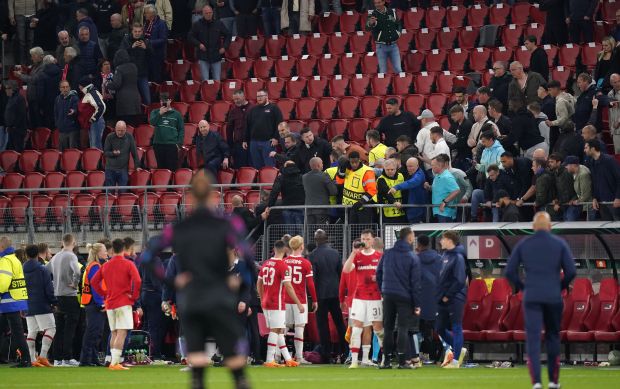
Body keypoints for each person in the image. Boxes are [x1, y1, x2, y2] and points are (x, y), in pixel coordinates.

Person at [140, 170, 252, 387]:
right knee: (237, 367)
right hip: (220, 297)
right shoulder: (228, 225)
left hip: (191, 300)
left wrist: (172, 282)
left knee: (198, 369)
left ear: (190, 198)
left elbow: (147, 257)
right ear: (213, 196)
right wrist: (240, 283)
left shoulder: (178, 228)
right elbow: (247, 255)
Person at [505, 212, 576, 389]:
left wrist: (523, 287)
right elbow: (571, 271)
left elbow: (509, 272)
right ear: (550, 227)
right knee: (553, 336)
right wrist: (560, 286)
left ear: (533, 227)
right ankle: (553, 381)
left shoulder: (524, 244)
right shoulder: (559, 244)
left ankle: (536, 382)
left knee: (533, 338)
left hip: (532, 297)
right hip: (553, 296)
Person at [91, 239, 141, 371]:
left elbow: (94, 281)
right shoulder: (128, 263)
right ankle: (115, 363)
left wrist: (104, 293)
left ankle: (113, 361)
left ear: (112, 250)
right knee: (122, 332)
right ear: (123, 249)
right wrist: (134, 296)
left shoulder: (106, 265)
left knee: (114, 333)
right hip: (123, 302)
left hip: (110, 303)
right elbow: (137, 280)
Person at [376, 227, 421, 369]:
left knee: (388, 328)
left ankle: (387, 361)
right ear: (409, 238)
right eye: (413, 235)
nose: (414, 238)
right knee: (403, 328)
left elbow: (379, 273)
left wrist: (382, 290)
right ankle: (402, 361)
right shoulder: (412, 256)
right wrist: (417, 304)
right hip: (405, 296)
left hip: (388, 294)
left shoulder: (387, 253)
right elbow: (416, 282)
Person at [258, 240, 303, 368]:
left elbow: (258, 282)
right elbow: (288, 286)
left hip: (266, 301)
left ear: (274, 249)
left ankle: (288, 358)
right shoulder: (283, 265)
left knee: (279, 330)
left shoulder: (266, 263)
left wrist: (262, 298)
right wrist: (298, 303)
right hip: (276, 302)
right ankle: (269, 359)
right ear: (285, 250)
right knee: (275, 330)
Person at [343, 229, 384, 369]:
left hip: (375, 297)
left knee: (377, 329)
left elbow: (385, 275)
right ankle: (354, 361)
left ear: (373, 240)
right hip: (359, 297)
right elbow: (346, 270)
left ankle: (384, 358)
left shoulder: (379, 256)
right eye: (363, 239)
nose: (365, 241)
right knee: (356, 328)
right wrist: (353, 253)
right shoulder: (357, 255)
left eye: (367, 239)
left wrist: (377, 278)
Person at [310, 229, 347, 363]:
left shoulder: (313, 255)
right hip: (335, 293)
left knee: (322, 325)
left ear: (315, 240)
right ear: (327, 239)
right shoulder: (335, 253)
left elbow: (313, 277)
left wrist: (313, 296)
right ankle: (344, 351)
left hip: (320, 294)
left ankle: (326, 355)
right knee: (340, 323)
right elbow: (340, 273)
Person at [47, 234, 81, 367]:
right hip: (69, 296)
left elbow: (46, 271)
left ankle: (57, 359)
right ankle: (67, 358)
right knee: (70, 328)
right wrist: (75, 283)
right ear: (74, 242)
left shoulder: (55, 257)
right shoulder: (71, 255)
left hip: (57, 296)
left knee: (59, 328)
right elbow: (77, 272)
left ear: (62, 242)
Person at [283, 236, 317, 364]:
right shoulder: (305, 263)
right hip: (300, 300)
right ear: (301, 246)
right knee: (299, 328)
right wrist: (315, 300)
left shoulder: (284, 261)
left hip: (285, 299)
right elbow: (310, 284)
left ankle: (277, 356)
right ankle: (299, 357)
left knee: (283, 328)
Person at [436, 231, 467, 369]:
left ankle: (455, 361)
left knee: (456, 326)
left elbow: (460, 279)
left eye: (442, 239)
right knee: (439, 328)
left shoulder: (458, 256)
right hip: (442, 298)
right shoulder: (445, 255)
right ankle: (459, 349)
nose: (440, 242)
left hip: (455, 297)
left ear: (449, 240)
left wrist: (448, 294)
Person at [22, 244, 56, 368]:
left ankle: (32, 359)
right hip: (42, 304)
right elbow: (49, 288)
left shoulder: (22, 269)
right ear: (37, 254)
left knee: (32, 331)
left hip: (27, 304)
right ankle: (42, 356)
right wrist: (54, 301)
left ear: (26, 255)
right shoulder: (42, 269)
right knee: (51, 329)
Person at [0, 237, 31, 368]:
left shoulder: (5, 260)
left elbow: (3, 283)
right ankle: (24, 358)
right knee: (17, 331)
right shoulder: (14, 259)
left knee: (17, 331)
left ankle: (25, 359)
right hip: (17, 299)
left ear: (1, 247)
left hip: (9, 300)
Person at [78, 243, 106, 366]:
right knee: (92, 332)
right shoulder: (95, 267)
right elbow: (96, 287)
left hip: (91, 303)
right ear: (98, 253)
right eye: (104, 251)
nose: (106, 253)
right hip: (94, 304)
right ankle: (85, 360)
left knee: (96, 333)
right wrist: (101, 304)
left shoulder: (94, 266)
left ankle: (93, 359)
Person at [415, 234, 442, 363]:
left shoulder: (415, 259)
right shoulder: (439, 258)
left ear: (418, 245)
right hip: (435, 298)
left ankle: (420, 354)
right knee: (433, 328)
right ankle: (434, 356)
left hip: (419, 299)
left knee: (418, 329)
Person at [189, 5, 231, 81]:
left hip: (216, 55)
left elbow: (228, 35)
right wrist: (199, 44)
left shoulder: (219, 23)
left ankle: (216, 92)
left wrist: (224, 47)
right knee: (205, 80)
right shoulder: (197, 24)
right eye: (206, 13)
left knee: (217, 80)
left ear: (212, 13)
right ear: (203, 14)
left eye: (210, 12)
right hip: (203, 56)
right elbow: (190, 37)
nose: (209, 14)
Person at [244, 89, 282, 169]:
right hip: (254, 142)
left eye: (261, 96)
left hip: (268, 142)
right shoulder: (252, 110)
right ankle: (259, 181)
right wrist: (245, 140)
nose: (259, 98)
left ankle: (271, 181)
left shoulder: (274, 108)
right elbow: (247, 126)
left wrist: (276, 138)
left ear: (267, 96)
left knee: (269, 166)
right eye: (258, 96)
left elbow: (279, 124)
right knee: (256, 167)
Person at [336, 151, 378, 224]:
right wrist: (342, 170)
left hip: (363, 207)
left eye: (356, 162)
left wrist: (361, 201)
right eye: (352, 162)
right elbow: (339, 182)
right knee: (352, 232)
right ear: (349, 161)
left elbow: (372, 190)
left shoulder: (367, 171)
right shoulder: (347, 168)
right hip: (349, 207)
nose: (354, 164)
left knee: (363, 231)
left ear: (359, 160)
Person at [584, 140, 620, 221]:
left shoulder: (609, 160)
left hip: (614, 201)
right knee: (607, 230)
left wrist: (618, 197)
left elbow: (619, 179)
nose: (584, 150)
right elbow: (594, 182)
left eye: (586, 148)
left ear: (593, 149)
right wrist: (594, 198)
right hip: (601, 203)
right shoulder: (591, 162)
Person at [150, 92, 184, 171]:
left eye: (165, 100)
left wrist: (179, 144)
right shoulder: (155, 112)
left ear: (170, 101)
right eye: (162, 101)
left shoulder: (177, 114)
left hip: (172, 145)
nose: (163, 102)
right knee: (161, 170)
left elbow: (181, 129)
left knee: (172, 170)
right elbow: (152, 122)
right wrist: (160, 114)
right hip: (158, 144)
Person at [107, 49, 142, 126]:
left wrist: (107, 84)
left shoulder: (119, 68)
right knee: (134, 125)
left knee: (126, 126)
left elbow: (116, 84)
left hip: (124, 101)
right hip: (135, 99)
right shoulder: (134, 66)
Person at [366, 0, 401, 74]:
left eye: (378, 2)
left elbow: (398, 24)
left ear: (383, 2)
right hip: (381, 47)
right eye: (375, 3)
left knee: (398, 70)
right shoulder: (373, 14)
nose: (377, 5)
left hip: (394, 46)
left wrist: (398, 34)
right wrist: (370, 23)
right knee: (383, 72)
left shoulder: (391, 12)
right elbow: (367, 28)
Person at [120, 23, 152, 105]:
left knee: (147, 100)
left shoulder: (146, 41)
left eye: (139, 31)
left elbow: (153, 57)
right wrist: (131, 47)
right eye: (135, 31)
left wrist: (146, 49)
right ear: (132, 31)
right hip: (130, 76)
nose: (137, 33)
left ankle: (146, 116)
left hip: (142, 74)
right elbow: (120, 55)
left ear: (142, 32)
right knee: (132, 102)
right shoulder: (126, 40)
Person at [103, 120, 141, 187]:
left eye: (122, 130)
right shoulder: (109, 137)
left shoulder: (129, 137)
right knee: (109, 194)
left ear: (125, 129)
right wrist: (113, 153)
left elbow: (134, 153)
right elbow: (106, 153)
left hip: (123, 169)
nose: (120, 132)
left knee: (123, 193)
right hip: (110, 169)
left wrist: (137, 166)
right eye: (118, 130)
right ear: (115, 129)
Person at [14, 47, 44, 128]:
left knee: (38, 123)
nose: (31, 58)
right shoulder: (35, 66)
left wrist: (20, 76)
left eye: (33, 56)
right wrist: (23, 73)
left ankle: (41, 140)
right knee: (33, 123)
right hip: (32, 98)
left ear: (40, 56)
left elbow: (34, 80)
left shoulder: (43, 67)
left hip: (37, 99)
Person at [268, 160, 305, 225]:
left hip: (287, 206)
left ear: (285, 167)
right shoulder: (302, 177)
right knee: (301, 230)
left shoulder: (281, 178)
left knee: (289, 231)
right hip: (300, 206)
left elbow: (275, 192)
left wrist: (270, 205)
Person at [390, 157, 426, 223]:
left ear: (417, 165)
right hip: (412, 209)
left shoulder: (419, 175)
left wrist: (396, 187)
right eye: (407, 166)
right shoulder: (413, 173)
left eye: (411, 166)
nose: (408, 168)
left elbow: (412, 182)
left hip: (417, 211)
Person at [303, 157, 337, 225]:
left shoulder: (304, 177)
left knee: (311, 233)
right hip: (322, 210)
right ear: (318, 165)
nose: (323, 165)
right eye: (322, 163)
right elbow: (334, 192)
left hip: (309, 210)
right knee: (322, 233)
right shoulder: (324, 176)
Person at [548, 153, 580, 221]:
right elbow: (559, 190)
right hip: (565, 204)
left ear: (559, 162)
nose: (549, 164)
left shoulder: (566, 172)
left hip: (572, 203)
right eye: (549, 162)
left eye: (552, 162)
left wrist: (558, 203)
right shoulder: (556, 173)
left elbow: (567, 192)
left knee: (569, 225)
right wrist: (556, 198)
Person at [431, 156, 461, 223]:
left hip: (445, 213)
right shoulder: (437, 175)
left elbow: (456, 190)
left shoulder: (447, 177)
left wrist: (444, 201)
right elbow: (439, 190)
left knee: (445, 233)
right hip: (438, 211)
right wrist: (428, 187)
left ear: (439, 165)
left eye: (433, 165)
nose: (432, 167)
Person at [376, 159, 407, 224]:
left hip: (400, 210)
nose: (390, 171)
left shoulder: (400, 176)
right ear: (384, 168)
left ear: (396, 169)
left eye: (392, 169)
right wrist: (394, 202)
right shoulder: (381, 179)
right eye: (387, 169)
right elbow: (386, 192)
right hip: (386, 212)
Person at [227, 90, 253, 168]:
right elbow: (229, 129)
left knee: (252, 168)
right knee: (240, 169)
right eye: (234, 99)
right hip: (238, 145)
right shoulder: (233, 111)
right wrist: (230, 145)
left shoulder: (253, 108)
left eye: (238, 99)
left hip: (252, 144)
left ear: (243, 97)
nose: (236, 101)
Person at [143, 5, 168, 83]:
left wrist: (149, 42)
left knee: (156, 77)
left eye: (146, 13)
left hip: (156, 54)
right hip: (147, 54)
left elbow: (163, 39)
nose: (144, 15)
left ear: (152, 14)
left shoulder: (161, 24)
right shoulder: (146, 23)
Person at [79, 79, 106, 149]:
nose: (78, 87)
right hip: (93, 123)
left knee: (95, 146)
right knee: (93, 146)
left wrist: (94, 118)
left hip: (96, 123)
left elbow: (101, 106)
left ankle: (99, 160)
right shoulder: (90, 92)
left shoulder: (92, 93)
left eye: (79, 85)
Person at [564, 155, 593, 220]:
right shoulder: (575, 172)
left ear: (573, 165)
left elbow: (586, 194)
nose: (566, 167)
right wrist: (574, 199)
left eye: (567, 165)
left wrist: (577, 201)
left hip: (589, 207)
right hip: (583, 205)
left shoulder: (583, 175)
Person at [8, 0, 36, 65]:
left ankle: (31, 63)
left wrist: (39, 13)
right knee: (21, 41)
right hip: (19, 14)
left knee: (31, 40)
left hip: (32, 14)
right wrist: (11, 16)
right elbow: (10, 2)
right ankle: (22, 64)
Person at [4, 80, 28, 152]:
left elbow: (21, 114)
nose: (6, 90)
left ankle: (18, 163)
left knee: (17, 151)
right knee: (12, 151)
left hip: (18, 130)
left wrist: (14, 126)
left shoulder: (19, 99)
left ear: (13, 89)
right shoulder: (11, 98)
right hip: (12, 129)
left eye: (8, 88)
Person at [449, 105, 473, 171]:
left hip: (466, 157)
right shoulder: (455, 124)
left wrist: (448, 147)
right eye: (451, 115)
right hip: (458, 156)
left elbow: (462, 143)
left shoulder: (467, 124)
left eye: (454, 115)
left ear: (461, 113)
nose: (452, 117)